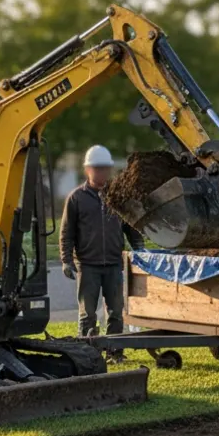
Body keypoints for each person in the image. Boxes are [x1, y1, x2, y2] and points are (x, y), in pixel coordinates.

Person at [59, 145, 145, 341]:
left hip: (114, 264)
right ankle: (86, 348)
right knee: (87, 314)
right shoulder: (77, 198)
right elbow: (67, 232)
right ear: (87, 169)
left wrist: (139, 249)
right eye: (97, 168)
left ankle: (114, 351)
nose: (102, 172)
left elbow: (131, 227)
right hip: (88, 265)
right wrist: (66, 260)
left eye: (105, 168)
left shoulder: (117, 197)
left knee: (116, 311)